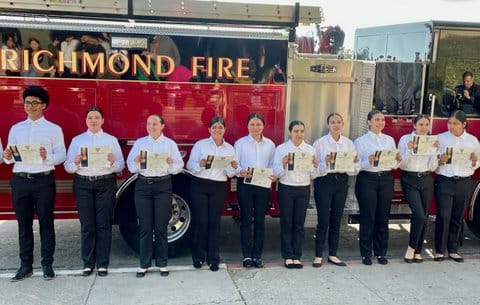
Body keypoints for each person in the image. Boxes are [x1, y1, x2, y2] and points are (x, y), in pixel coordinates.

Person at [3, 86, 66, 281]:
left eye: (35, 103)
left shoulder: (54, 129)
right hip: (20, 180)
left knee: (46, 223)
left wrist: (47, 157)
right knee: (24, 225)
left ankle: (47, 264)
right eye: (27, 103)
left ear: (43, 105)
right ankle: (26, 266)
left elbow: (61, 156)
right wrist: (7, 156)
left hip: (43, 180)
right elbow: (9, 157)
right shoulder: (16, 129)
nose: (30, 106)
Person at [64, 106, 124, 277]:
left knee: (103, 225)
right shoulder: (77, 141)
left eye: (97, 117)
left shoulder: (111, 140)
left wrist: (113, 162)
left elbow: (120, 166)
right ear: (86, 121)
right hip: (83, 184)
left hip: (105, 183)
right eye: (90, 117)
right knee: (87, 225)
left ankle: (103, 263)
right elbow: (68, 167)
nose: (94, 120)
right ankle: (88, 263)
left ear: (103, 120)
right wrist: (75, 162)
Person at [127, 114, 184, 278]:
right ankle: (144, 264)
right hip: (143, 185)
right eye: (149, 124)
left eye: (155, 124)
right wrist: (137, 161)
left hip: (163, 186)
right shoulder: (140, 143)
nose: (151, 127)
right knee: (145, 227)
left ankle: (162, 263)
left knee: (160, 226)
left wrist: (170, 163)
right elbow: (130, 166)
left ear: (162, 126)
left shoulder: (169, 144)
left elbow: (179, 166)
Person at [186, 116, 238, 272]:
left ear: (224, 130)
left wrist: (233, 167)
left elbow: (230, 173)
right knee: (201, 222)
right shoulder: (200, 145)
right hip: (200, 185)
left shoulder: (229, 149)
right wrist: (200, 164)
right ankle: (198, 257)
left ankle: (213, 258)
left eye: (220, 127)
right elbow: (189, 165)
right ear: (209, 130)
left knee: (215, 223)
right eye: (214, 127)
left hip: (218, 186)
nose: (217, 130)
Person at [312, 113, 359, 268]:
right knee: (323, 220)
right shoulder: (319, 143)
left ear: (342, 124)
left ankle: (333, 254)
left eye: (339, 122)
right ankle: (318, 255)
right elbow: (314, 169)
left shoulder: (349, 144)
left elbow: (354, 170)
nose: (336, 125)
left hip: (342, 182)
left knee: (336, 220)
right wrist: (324, 164)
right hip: (324, 182)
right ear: (328, 125)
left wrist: (354, 164)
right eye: (333, 122)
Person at [354, 110, 401, 266]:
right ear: (369, 122)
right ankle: (365, 254)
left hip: (386, 179)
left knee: (383, 217)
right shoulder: (360, 142)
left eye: (382, 119)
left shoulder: (389, 140)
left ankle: (381, 252)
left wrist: (397, 161)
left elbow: (393, 164)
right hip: (367, 179)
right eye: (376, 120)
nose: (380, 122)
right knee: (368, 217)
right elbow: (356, 166)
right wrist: (370, 162)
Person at [434, 110, 480, 262]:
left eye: (455, 123)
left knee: (457, 216)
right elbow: (431, 160)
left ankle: (453, 249)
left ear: (464, 124)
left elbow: (478, 162)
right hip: (445, 180)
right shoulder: (440, 139)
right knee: (443, 216)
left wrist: (474, 161)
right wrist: (439, 160)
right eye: (449, 123)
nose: (451, 126)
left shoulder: (473, 141)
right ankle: (439, 250)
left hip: (464, 181)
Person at [273, 120, 318, 269]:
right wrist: (284, 164)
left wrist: (316, 165)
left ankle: (296, 256)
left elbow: (314, 175)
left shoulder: (310, 149)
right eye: (296, 131)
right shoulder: (281, 149)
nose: (299, 134)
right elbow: (276, 173)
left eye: (301, 131)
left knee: (299, 224)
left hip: (303, 188)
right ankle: (287, 256)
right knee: (286, 223)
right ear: (290, 132)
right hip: (287, 188)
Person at [234, 113, 276, 268]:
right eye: (252, 124)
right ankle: (246, 256)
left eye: (258, 124)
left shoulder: (270, 145)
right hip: (245, 184)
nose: (255, 127)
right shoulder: (240, 143)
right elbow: (235, 163)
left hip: (263, 186)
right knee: (245, 220)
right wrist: (240, 171)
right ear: (247, 126)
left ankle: (257, 255)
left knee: (260, 220)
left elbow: (273, 164)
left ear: (263, 126)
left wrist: (273, 175)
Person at [398, 114, 438, 263]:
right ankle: (411, 247)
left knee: (424, 216)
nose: (424, 128)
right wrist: (409, 150)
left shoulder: (432, 141)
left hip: (426, 178)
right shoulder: (405, 139)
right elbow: (400, 164)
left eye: (427, 125)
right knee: (419, 214)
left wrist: (434, 152)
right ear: (414, 125)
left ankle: (417, 251)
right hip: (409, 179)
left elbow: (433, 167)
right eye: (421, 124)